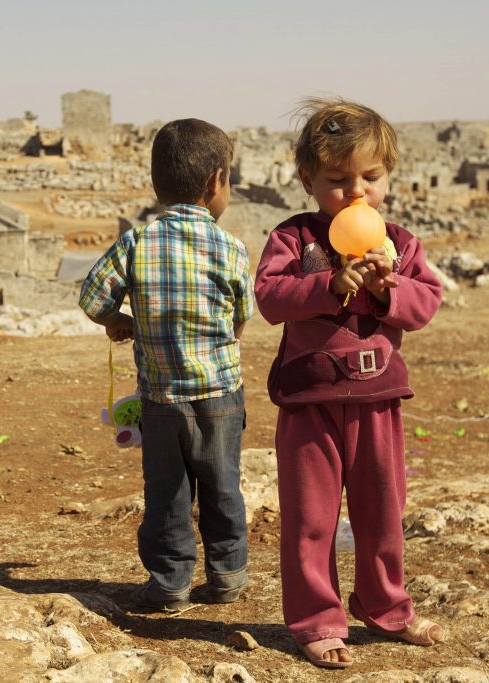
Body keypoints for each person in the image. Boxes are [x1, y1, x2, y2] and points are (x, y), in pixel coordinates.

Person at [253, 98, 444, 668]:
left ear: (388, 175)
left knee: (382, 512)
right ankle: (316, 619)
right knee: (311, 518)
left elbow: (425, 303)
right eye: (338, 180)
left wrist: (387, 290)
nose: (356, 193)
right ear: (307, 178)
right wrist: (330, 283)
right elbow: (270, 299)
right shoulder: (294, 239)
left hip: (377, 398)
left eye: (371, 178)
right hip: (308, 401)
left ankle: (387, 608)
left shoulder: (401, 243)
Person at [79, 118, 254, 612]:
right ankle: (228, 576)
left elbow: (92, 298)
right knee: (223, 486)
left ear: (158, 184)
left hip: (160, 401)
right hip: (220, 395)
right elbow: (242, 317)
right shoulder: (231, 247)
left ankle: (171, 583)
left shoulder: (136, 243)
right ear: (217, 181)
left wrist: (120, 320)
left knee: (167, 494)